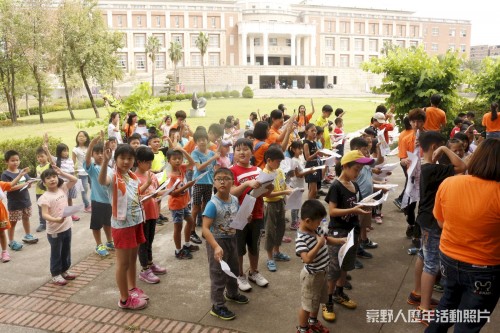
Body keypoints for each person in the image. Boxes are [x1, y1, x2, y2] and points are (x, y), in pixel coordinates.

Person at [425, 138, 500, 333]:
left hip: (449, 259)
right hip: (484, 267)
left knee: (446, 306)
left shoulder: (450, 183)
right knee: (468, 324)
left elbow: (441, 222)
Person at [406, 132, 466, 325]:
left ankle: (417, 293)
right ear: (434, 148)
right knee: (431, 264)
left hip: (424, 218)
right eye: (440, 147)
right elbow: (462, 166)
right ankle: (423, 309)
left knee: (423, 257)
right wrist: (445, 149)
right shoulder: (432, 168)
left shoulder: (424, 167)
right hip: (432, 222)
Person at [322, 150, 374, 321]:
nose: (358, 173)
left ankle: (339, 293)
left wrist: (367, 206)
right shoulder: (336, 186)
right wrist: (353, 209)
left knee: (345, 266)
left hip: (353, 230)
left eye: (360, 170)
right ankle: (327, 301)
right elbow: (332, 211)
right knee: (334, 269)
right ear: (345, 166)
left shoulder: (355, 185)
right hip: (338, 232)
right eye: (356, 169)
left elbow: (356, 204)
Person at [99, 143, 149, 310]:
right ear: (116, 159)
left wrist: (149, 189)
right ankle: (124, 299)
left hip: (135, 222)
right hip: (122, 225)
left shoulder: (131, 176)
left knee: (132, 260)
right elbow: (102, 180)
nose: (126, 161)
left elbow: (134, 195)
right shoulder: (113, 175)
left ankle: (132, 288)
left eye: (129, 158)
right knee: (123, 263)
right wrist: (105, 162)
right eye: (122, 158)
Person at [202, 167, 249, 320]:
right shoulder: (212, 204)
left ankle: (232, 293)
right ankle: (217, 305)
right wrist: (215, 246)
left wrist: (244, 219)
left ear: (232, 182)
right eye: (218, 179)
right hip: (217, 241)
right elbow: (205, 229)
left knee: (234, 269)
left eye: (226, 178)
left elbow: (237, 217)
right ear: (214, 183)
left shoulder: (234, 199)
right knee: (218, 274)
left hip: (232, 239)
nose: (222, 181)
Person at [296, 199, 346, 333]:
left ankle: (313, 322)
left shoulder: (315, 229)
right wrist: (318, 245)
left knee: (316, 301)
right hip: (311, 277)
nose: (320, 224)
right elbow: (306, 259)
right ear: (307, 221)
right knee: (307, 305)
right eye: (318, 221)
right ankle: (302, 328)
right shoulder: (301, 239)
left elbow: (327, 239)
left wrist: (341, 240)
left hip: (322, 273)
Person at [230, 138, 273, 291]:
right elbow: (232, 192)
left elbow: (267, 193)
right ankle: (240, 275)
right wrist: (247, 184)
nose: (242, 152)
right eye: (238, 149)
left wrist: (269, 186)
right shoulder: (232, 171)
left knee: (254, 246)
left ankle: (254, 272)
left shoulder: (258, 170)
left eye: (245, 149)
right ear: (234, 153)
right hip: (239, 216)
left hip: (257, 214)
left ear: (252, 151)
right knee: (239, 248)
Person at [38, 166, 78, 285]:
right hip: (55, 230)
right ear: (44, 182)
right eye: (48, 178)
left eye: (54, 176)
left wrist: (62, 173)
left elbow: (74, 179)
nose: (52, 179)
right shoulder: (44, 197)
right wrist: (56, 220)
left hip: (67, 226)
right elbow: (44, 215)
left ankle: (64, 270)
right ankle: (55, 274)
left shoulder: (63, 188)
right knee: (56, 252)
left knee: (66, 250)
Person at [134, 146, 167, 284]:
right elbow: (136, 195)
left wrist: (169, 190)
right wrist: (147, 186)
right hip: (142, 215)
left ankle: (150, 262)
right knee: (143, 242)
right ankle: (144, 269)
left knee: (150, 240)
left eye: (151, 162)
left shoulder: (151, 175)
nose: (150, 165)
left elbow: (156, 191)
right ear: (139, 162)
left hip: (153, 213)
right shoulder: (135, 178)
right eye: (147, 162)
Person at [263, 146, 293, 272]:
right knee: (270, 231)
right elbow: (267, 194)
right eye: (278, 161)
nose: (279, 164)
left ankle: (277, 252)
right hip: (270, 205)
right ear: (269, 160)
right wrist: (285, 192)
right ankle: (270, 258)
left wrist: (290, 189)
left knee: (280, 228)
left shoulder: (279, 170)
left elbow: (283, 183)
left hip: (280, 202)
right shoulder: (265, 175)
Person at [84, 133, 114, 257]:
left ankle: (109, 241)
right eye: (97, 153)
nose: (101, 155)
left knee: (108, 223)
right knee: (96, 225)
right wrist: (91, 144)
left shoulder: (110, 168)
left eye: (103, 152)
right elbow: (86, 160)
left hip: (109, 201)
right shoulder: (92, 168)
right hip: (97, 201)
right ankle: (99, 245)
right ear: (93, 155)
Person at [1, 150, 38, 251]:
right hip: (14, 203)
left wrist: (30, 183)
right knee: (13, 222)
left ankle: (27, 235)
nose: (16, 162)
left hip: (25, 200)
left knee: (26, 218)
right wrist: (25, 184)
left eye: (17, 160)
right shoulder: (5, 174)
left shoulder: (22, 172)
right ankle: (11, 241)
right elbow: (9, 188)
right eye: (13, 160)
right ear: (6, 162)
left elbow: (28, 183)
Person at [166, 146, 197, 259]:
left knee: (190, 221)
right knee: (178, 228)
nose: (178, 161)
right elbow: (172, 193)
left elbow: (192, 163)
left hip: (184, 204)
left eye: (180, 158)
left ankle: (187, 245)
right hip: (176, 205)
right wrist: (187, 186)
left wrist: (184, 151)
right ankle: (178, 251)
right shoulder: (171, 176)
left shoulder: (182, 168)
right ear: (169, 160)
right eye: (174, 159)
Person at [191, 129, 220, 241]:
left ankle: (205, 230)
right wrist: (212, 158)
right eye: (199, 140)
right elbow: (199, 167)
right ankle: (192, 231)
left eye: (203, 139)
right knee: (195, 207)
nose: (202, 142)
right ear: (196, 142)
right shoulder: (195, 153)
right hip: (198, 182)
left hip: (209, 183)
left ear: (207, 140)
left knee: (206, 207)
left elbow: (214, 168)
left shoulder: (212, 153)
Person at [43, 139, 80, 222]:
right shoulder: (57, 160)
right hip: (63, 184)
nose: (66, 153)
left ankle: (71, 214)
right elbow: (50, 159)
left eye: (67, 151)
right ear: (59, 152)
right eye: (64, 151)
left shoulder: (70, 160)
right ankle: (62, 214)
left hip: (71, 182)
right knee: (63, 199)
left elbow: (72, 170)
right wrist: (46, 149)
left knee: (70, 199)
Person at [0, 167, 30, 263]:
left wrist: (20, 175)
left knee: (1, 233)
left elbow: (11, 184)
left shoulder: (0, 184)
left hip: (0, 214)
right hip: (10, 207)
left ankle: (4, 252)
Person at [72, 131, 91, 213]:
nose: (81, 137)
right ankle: (87, 206)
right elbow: (72, 162)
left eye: (83, 136)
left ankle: (93, 204)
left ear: (86, 138)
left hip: (91, 170)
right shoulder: (75, 149)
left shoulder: (89, 147)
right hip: (81, 172)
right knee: (84, 190)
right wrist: (72, 172)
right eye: (79, 136)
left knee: (94, 188)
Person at [303, 124, 323, 200]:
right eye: (312, 131)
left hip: (316, 164)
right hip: (310, 166)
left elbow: (319, 153)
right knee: (314, 190)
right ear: (306, 132)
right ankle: (310, 204)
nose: (314, 132)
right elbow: (308, 158)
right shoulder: (306, 143)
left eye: (315, 130)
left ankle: (310, 203)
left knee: (312, 189)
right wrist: (317, 153)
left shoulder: (314, 142)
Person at [35, 147, 50, 232]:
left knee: (49, 207)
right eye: (38, 157)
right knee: (40, 207)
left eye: (42, 156)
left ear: (47, 156)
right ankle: (42, 223)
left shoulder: (49, 165)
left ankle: (50, 221)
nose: (40, 158)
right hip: (38, 190)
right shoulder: (37, 167)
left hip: (47, 191)